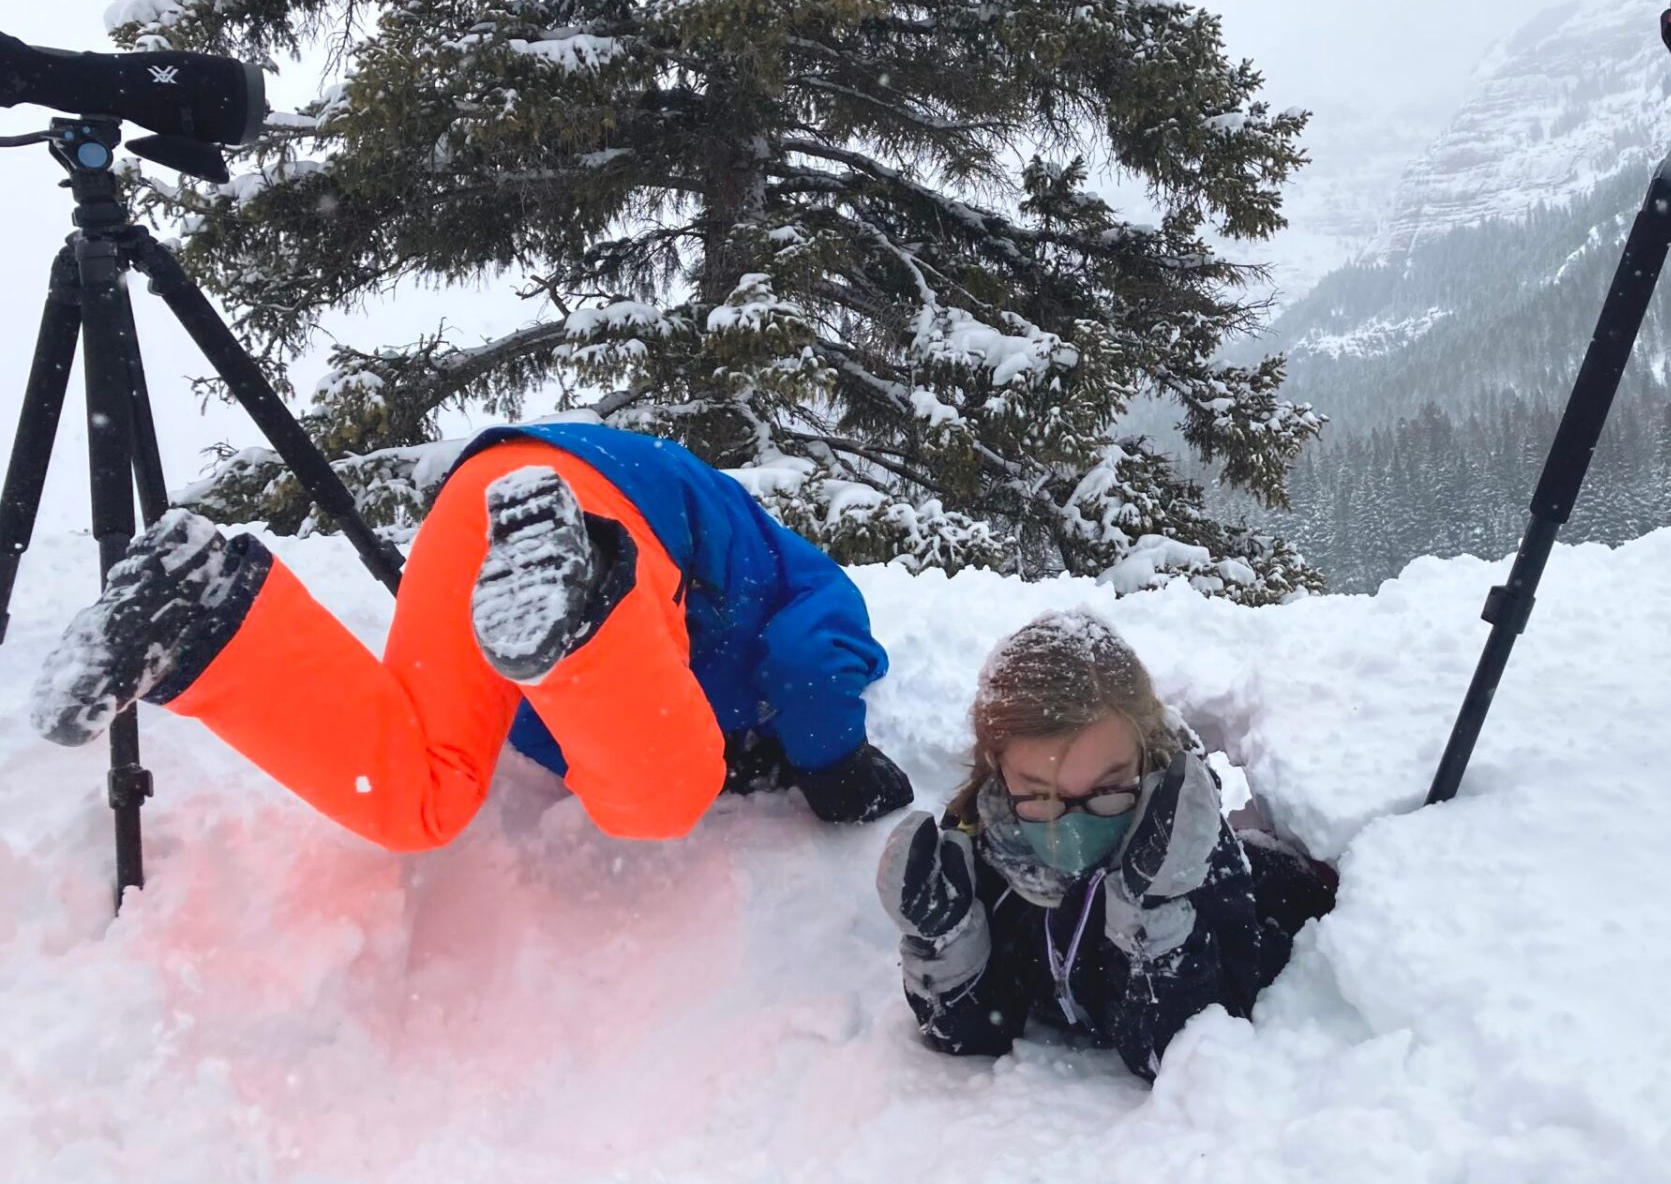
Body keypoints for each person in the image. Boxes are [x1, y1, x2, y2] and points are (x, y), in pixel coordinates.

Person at [35, 421, 912, 850]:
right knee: (664, 797)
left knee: (420, 796)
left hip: (477, 504)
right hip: (606, 507)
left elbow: (548, 712)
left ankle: (205, 617)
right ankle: (585, 592)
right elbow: (812, 659)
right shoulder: (800, 571)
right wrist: (835, 763)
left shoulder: (524, 621)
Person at [876, 611, 1336, 1080]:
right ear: (996, 768)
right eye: (1039, 795)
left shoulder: (1187, 847)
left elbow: (1184, 1054)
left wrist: (1155, 915)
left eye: (1106, 791)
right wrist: (944, 945)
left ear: (1144, 750)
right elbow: (971, 1033)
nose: (1071, 830)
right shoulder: (980, 851)